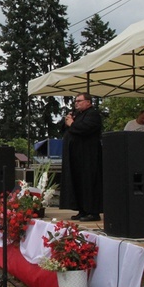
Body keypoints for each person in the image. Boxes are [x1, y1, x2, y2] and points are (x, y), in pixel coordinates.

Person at [61, 92, 103, 222]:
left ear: (88, 102)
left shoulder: (93, 114)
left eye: (79, 101)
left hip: (88, 156)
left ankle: (93, 212)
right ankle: (82, 209)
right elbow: (66, 129)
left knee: (89, 183)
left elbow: (85, 129)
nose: (76, 103)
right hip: (77, 156)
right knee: (78, 182)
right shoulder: (77, 115)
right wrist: (67, 121)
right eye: (75, 101)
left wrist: (72, 124)